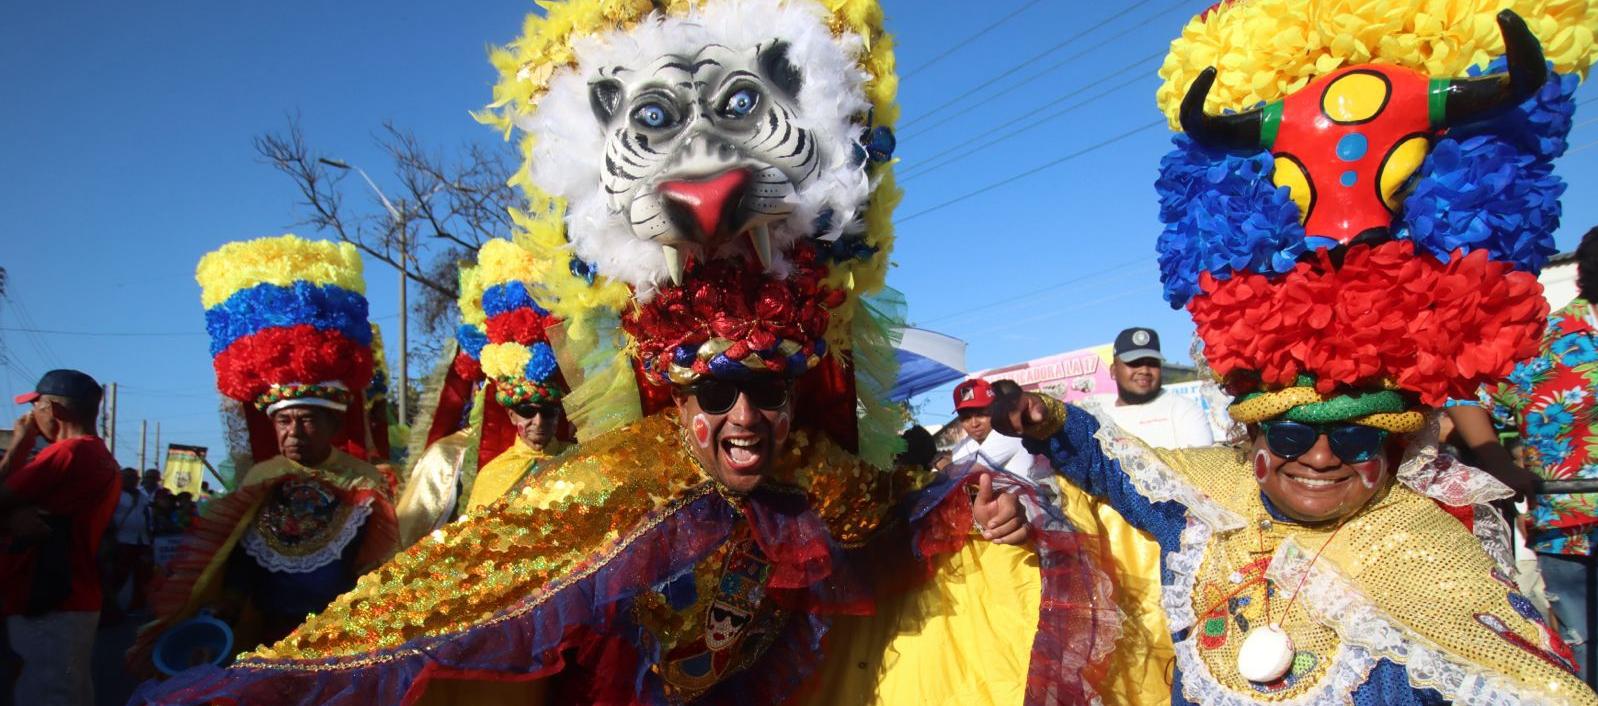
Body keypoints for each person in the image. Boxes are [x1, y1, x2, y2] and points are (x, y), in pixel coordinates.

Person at [129, 2, 1119, 702]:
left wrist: (987, 504)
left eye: (765, 389)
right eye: (715, 391)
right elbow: (443, 597)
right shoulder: (610, 486)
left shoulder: (817, 473)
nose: (744, 416)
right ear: (674, 397)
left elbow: (904, 514)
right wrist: (272, 681)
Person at [1018, 3, 1597, 702]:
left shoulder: (1430, 555)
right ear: (1254, 439)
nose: (1320, 457)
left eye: (1355, 437)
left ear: (1394, 445)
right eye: (1293, 432)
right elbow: (1117, 464)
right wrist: (1041, 416)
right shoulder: (1214, 501)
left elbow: (1539, 688)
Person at [130, 235, 399, 672]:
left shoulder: (364, 482)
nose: (294, 432)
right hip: (264, 634)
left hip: (339, 637)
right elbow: (237, 558)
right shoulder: (261, 476)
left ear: (334, 425)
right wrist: (229, 602)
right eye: (283, 421)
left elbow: (376, 567)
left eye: (307, 420)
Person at [1480, 225, 1598, 685]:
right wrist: (1499, 465)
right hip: (1570, 528)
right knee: (1584, 654)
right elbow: (1467, 397)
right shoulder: (1545, 340)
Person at [0, 369, 121, 706]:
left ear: (53, 409)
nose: (30, 416)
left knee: (44, 692)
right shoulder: (100, 456)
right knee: (68, 691)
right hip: (72, 595)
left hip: (47, 597)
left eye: (35, 406)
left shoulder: (67, 453)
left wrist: (20, 442)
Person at [1098, 327, 1213, 449]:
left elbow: (1203, 460)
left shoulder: (1184, 410)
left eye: (1152, 363)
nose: (1144, 370)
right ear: (1113, 371)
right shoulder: (1097, 414)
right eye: (1134, 363)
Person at [945, 379, 1050, 490]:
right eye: (966, 418)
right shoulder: (966, 444)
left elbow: (966, 471)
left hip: (1026, 500)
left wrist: (945, 466)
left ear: (995, 409)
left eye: (981, 414)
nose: (974, 424)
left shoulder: (1008, 433)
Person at [105, 467, 155, 622]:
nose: (132, 480)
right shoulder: (115, 494)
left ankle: (137, 606)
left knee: (142, 575)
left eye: (134, 477)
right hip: (122, 541)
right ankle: (109, 608)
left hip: (142, 541)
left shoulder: (142, 496)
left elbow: (147, 516)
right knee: (118, 575)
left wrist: (150, 536)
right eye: (128, 477)